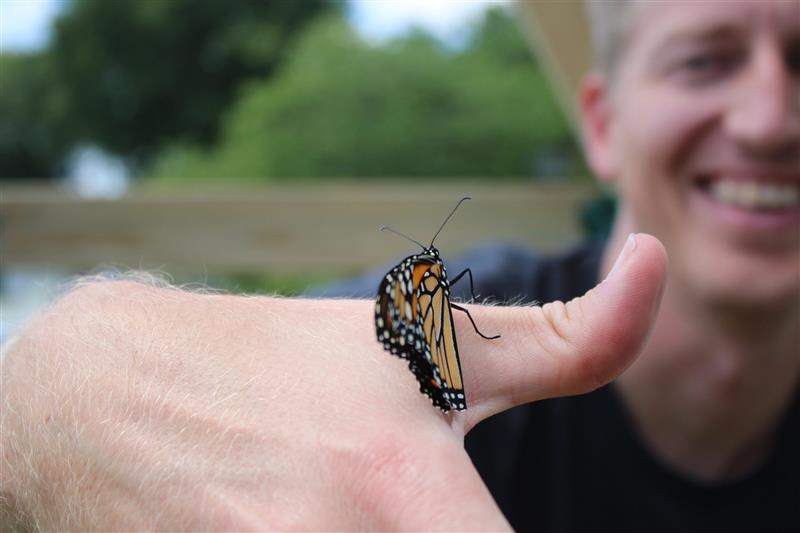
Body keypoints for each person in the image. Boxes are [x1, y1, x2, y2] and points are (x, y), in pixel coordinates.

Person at [0, 0, 797, 530]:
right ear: (602, 124)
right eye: (702, 61)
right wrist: (62, 374)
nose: (770, 119)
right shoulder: (455, 308)